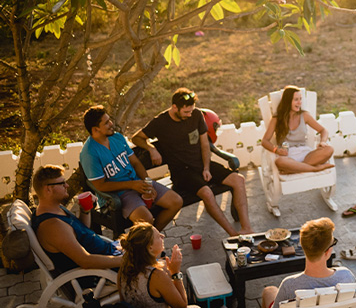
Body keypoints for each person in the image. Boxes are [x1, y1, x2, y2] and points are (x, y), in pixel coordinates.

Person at [132, 88, 253, 237]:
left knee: (238, 179)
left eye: (191, 111)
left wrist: (207, 168)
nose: (190, 115)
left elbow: (204, 144)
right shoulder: (160, 122)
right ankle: (233, 234)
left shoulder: (196, 115)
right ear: (174, 107)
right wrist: (151, 148)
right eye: (186, 112)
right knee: (207, 193)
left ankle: (247, 228)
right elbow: (136, 137)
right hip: (182, 172)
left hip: (201, 164)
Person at [80, 105, 183, 230]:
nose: (111, 124)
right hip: (118, 195)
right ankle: (148, 239)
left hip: (138, 183)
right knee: (146, 220)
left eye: (110, 120)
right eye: (106, 123)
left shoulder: (117, 137)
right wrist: (132, 185)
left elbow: (135, 163)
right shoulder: (89, 153)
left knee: (176, 201)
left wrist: (148, 183)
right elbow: (100, 186)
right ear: (96, 130)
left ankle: (150, 238)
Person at [31, 165, 122, 274]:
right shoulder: (52, 226)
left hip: (111, 252)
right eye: (62, 183)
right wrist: (125, 260)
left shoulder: (55, 208)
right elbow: (85, 261)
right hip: (105, 270)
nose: (67, 185)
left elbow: (80, 232)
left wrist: (85, 210)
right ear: (48, 189)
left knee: (144, 239)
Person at [261, 218, 355, 308]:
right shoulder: (346, 276)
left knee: (269, 291)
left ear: (303, 247)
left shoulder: (289, 285)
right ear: (328, 251)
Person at [117, 222, 203, 308]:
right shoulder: (156, 276)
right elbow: (182, 307)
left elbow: (124, 302)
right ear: (150, 248)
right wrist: (175, 273)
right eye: (158, 237)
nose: (162, 236)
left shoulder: (123, 270)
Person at [260, 85, 335, 173]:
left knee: (329, 149)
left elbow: (323, 130)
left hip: (306, 154)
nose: (300, 102)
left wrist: (323, 141)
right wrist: (276, 150)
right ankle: (315, 168)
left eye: (300, 99)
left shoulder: (304, 116)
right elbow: (265, 141)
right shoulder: (277, 119)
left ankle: (295, 169)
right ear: (288, 101)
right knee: (279, 162)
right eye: (296, 100)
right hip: (288, 156)